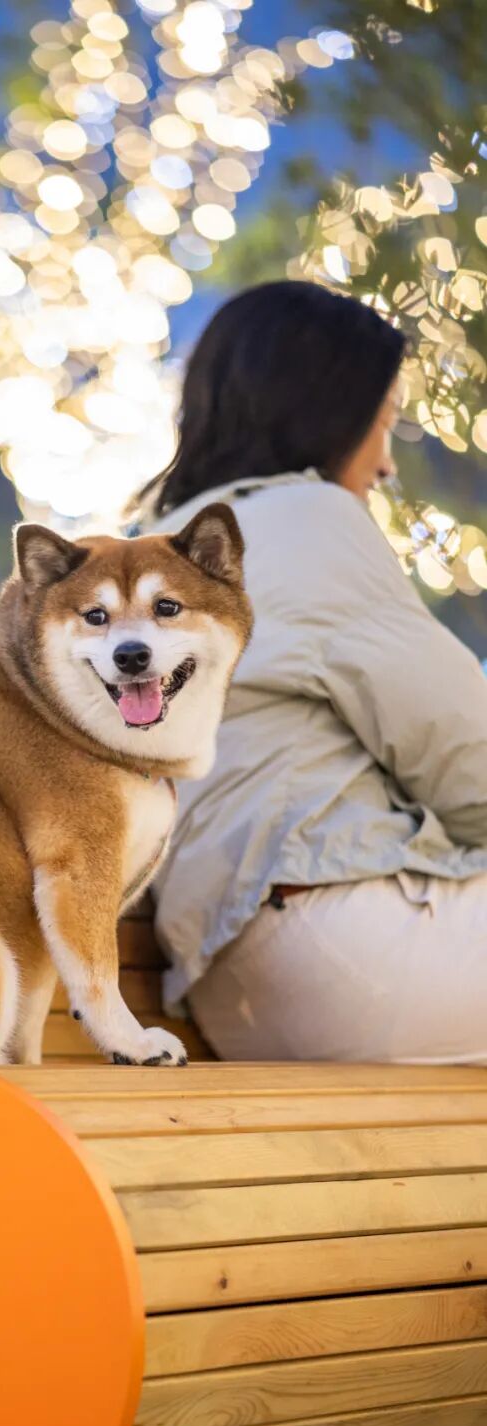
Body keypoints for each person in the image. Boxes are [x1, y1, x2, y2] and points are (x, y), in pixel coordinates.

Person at [137, 280, 487, 1063]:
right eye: (384, 422)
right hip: (351, 946)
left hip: (241, 987)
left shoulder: (162, 555)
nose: (387, 463)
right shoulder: (306, 520)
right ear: (327, 412)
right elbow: (466, 757)